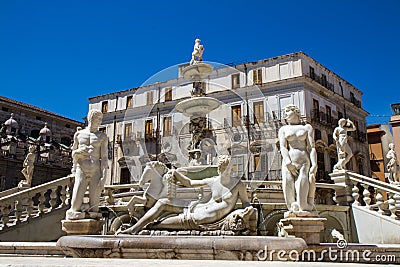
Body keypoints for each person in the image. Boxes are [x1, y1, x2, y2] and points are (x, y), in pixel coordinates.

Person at [119, 155, 251, 234]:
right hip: (199, 207)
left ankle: (148, 227)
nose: (228, 171)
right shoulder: (213, 181)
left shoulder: (238, 185)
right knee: (162, 202)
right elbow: (190, 182)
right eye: (225, 169)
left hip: (205, 217)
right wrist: (175, 173)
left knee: (162, 225)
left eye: (229, 168)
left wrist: (248, 210)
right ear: (220, 169)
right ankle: (134, 229)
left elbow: (246, 203)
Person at [65, 109, 108, 220]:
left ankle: (93, 228)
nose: (99, 122)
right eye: (97, 119)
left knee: (95, 208)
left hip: (96, 171)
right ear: (90, 118)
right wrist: (77, 153)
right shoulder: (79, 134)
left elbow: (104, 158)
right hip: (81, 169)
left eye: (100, 120)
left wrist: (104, 176)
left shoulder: (102, 137)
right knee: (75, 206)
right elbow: (73, 153)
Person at [278, 104, 317, 213]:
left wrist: (314, 164)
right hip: (289, 162)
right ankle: (292, 211)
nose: (285, 114)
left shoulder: (307, 128)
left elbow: (311, 147)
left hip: (304, 161)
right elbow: (283, 147)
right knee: (288, 188)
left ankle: (306, 205)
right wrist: (288, 162)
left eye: (287, 111)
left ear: (295, 112)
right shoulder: (283, 129)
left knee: (301, 192)